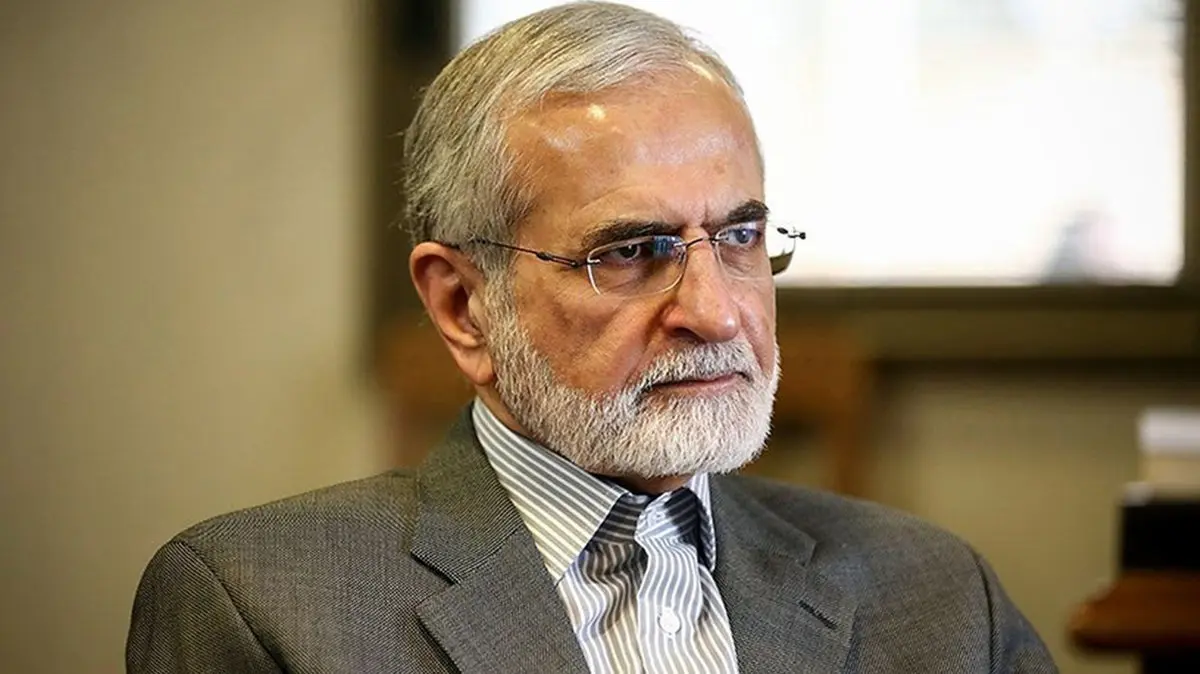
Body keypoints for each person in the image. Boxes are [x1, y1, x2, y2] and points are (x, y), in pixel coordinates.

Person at [126, 3, 1057, 672]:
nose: (717, 312)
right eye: (633, 252)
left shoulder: (939, 596)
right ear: (462, 305)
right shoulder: (260, 603)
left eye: (739, 236)